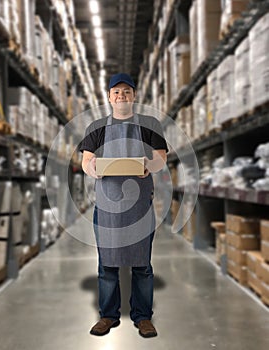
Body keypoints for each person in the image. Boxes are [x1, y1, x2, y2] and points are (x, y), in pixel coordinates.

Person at [80, 73, 168, 338]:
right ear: (109, 97)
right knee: (107, 264)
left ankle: (143, 317)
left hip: (140, 206)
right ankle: (108, 315)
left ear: (134, 96)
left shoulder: (150, 124)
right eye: (116, 92)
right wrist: (94, 171)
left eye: (126, 91)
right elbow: (86, 161)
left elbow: (160, 158)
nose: (121, 96)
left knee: (142, 264)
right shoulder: (95, 127)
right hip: (107, 208)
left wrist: (148, 167)